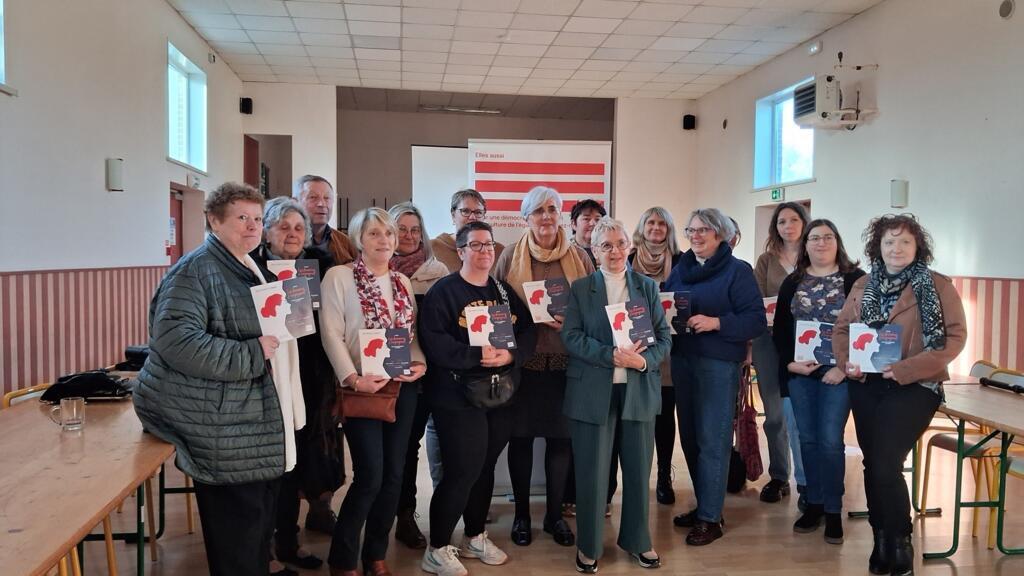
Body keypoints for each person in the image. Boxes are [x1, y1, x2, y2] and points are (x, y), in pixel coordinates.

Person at [133, 182, 300, 576]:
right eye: (241, 217)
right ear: (214, 219)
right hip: (220, 425)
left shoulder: (244, 263)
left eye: (257, 219)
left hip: (247, 417)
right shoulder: (195, 271)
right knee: (237, 537)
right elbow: (175, 341)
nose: (252, 227)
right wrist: (250, 353)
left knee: (255, 528)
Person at [833, 214, 966, 576]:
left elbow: (954, 338)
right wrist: (847, 363)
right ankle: (881, 538)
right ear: (878, 246)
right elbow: (842, 329)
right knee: (872, 462)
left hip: (915, 387)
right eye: (889, 242)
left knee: (885, 462)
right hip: (866, 385)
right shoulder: (863, 284)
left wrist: (906, 369)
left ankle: (900, 539)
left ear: (917, 247)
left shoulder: (938, 285)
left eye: (905, 242)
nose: (897, 249)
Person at [418, 221, 536, 576]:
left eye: (489, 246)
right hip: (456, 396)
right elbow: (434, 341)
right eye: (477, 245)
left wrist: (511, 355)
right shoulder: (444, 291)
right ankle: (437, 547)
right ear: (461, 251)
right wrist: (477, 356)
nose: (485, 252)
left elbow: (527, 330)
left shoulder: (502, 290)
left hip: (499, 394)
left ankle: (474, 536)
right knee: (463, 470)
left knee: (484, 467)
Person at [320, 207, 428, 576]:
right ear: (358, 239)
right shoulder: (340, 277)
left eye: (389, 234)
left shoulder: (402, 282)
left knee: (395, 476)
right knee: (370, 475)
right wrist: (352, 379)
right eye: (374, 234)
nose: (384, 241)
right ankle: (343, 557)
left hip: (402, 388)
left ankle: (375, 553)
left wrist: (420, 363)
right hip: (362, 388)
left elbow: (409, 337)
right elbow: (331, 334)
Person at [562, 217, 672, 573]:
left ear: (630, 247)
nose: (614, 251)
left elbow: (664, 338)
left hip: (638, 390)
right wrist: (607, 355)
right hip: (593, 391)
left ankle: (639, 541)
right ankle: (589, 546)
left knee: (639, 471)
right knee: (592, 473)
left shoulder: (647, 288)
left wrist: (642, 361)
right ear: (594, 251)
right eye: (606, 245)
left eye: (620, 243)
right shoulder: (580, 289)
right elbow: (572, 337)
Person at [493, 185, 595, 548]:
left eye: (552, 209)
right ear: (526, 217)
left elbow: (593, 306)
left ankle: (554, 516)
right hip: (525, 363)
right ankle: (522, 514)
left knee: (560, 440)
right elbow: (497, 306)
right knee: (520, 439)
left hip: (568, 363)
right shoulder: (508, 256)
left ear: (560, 215)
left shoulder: (580, 256)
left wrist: (571, 320)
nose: (546, 217)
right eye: (538, 211)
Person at [665, 208, 767, 546]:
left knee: (714, 441)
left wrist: (716, 323)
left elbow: (754, 320)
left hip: (718, 365)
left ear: (720, 235)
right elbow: (666, 304)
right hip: (683, 362)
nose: (695, 235)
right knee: (691, 439)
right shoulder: (681, 269)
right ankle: (705, 506)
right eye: (691, 230)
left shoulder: (738, 272)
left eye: (703, 230)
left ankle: (711, 518)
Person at [251, 197, 339, 574]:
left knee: (300, 464)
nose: (291, 234)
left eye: (298, 227)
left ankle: (288, 540)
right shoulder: (251, 267)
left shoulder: (319, 264)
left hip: (310, 377)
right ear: (267, 230)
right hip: (265, 377)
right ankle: (264, 552)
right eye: (283, 226)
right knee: (270, 470)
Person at [771, 219, 865, 546]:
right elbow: (781, 330)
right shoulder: (793, 281)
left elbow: (868, 328)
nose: (821, 243)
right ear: (805, 245)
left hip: (839, 374)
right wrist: (790, 364)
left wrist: (845, 367)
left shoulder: (856, 280)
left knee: (829, 439)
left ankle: (834, 509)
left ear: (837, 242)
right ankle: (814, 503)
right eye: (814, 238)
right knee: (807, 439)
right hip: (801, 373)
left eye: (827, 237)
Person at [387, 202, 449, 550]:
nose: (408, 235)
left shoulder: (437, 271)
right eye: (401, 228)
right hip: (396, 373)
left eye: (414, 229)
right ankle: (404, 514)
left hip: (435, 373)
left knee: (440, 443)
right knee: (405, 447)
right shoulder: (376, 272)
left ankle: (444, 513)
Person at [753, 202, 810, 505]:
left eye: (794, 220)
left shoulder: (816, 257)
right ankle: (779, 475)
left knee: (801, 413)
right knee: (774, 414)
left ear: (804, 223)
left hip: (807, 344)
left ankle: (807, 480)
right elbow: (758, 300)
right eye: (782, 221)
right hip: (769, 342)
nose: (788, 226)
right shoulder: (766, 260)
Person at [628, 206, 683, 506]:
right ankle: (636, 479)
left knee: (664, 415)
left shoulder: (683, 262)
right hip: (634, 348)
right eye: (650, 222)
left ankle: (663, 475)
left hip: (670, 351)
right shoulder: (627, 260)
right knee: (637, 416)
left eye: (662, 223)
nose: (656, 228)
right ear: (642, 226)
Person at [432, 189, 505, 272]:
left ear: (484, 216)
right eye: (466, 211)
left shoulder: (499, 252)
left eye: (478, 212)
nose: (472, 217)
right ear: (453, 215)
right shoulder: (431, 248)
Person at [295, 174, 358, 269]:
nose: (321, 204)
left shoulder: (345, 242)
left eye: (327, 198)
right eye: (313, 197)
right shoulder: (288, 241)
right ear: (295, 202)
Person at [569, 199, 606, 266]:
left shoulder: (611, 251)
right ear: (573, 224)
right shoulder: (565, 252)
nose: (593, 223)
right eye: (586, 219)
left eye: (597, 219)